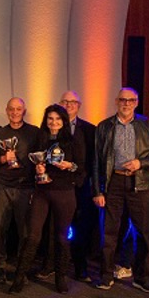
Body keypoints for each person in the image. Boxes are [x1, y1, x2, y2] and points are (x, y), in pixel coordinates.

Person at [93, 87, 149, 293]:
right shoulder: (104, 126)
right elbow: (96, 161)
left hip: (140, 184)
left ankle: (142, 278)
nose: (126, 104)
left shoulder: (147, 125)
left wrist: (140, 163)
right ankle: (106, 276)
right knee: (109, 232)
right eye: (123, 100)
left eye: (131, 100)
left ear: (136, 102)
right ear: (116, 101)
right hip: (113, 183)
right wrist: (98, 191)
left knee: (142, 233)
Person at [9, 104, 86, 294]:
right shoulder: (40, 139)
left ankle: (60, 278)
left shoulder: (73, 140)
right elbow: (32, 163)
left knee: (62, 237)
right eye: (50, 118)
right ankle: (19, 277)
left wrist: (69, 166)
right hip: (42, 192)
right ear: (46, 120)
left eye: (58, 119)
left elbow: (81, 167)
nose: (54, 122)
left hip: (64, 192)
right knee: (32, 236)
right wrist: (38, 169)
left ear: (64, 121)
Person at [0, 97, 38, 284]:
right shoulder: (0, 133)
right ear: (7, 111)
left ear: (23, 111)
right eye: (11, 109)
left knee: (24, 230)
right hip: (2, 185)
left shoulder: (34, 132)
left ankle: (21, 267)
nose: (15, 112)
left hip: (25, 186)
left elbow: (40, 157)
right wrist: (3, 159)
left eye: (18, 109)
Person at [57, 90, 96, 282]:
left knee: (81, 227)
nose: (69, 105)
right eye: (65, 101)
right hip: (57, 186)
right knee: (59, 227)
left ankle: (81, 267)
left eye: (73, 102)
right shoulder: (52, 127)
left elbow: (93, 161)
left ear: (79, 106)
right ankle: (57, 265)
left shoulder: (90, 130)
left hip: (81, 187)